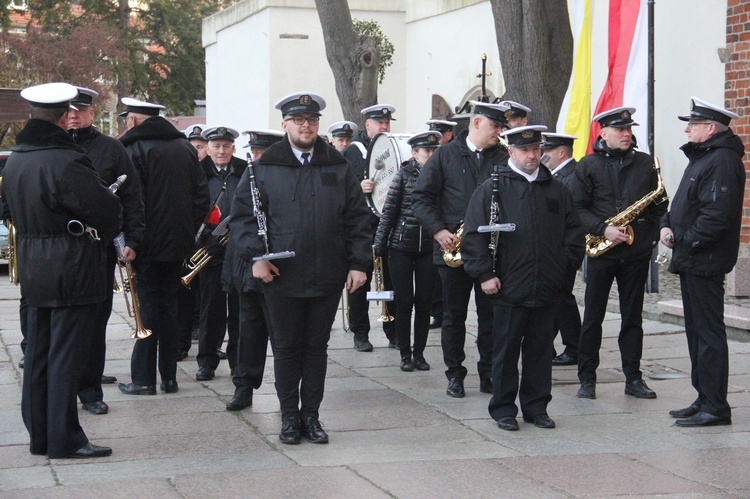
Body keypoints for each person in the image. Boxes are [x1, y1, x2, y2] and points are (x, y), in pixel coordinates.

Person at [233, 91, 371, 444]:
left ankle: (312, 416)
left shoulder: (337, 166)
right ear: (285, 125)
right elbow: (245, 219)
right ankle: (289, 418)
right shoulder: (263, 168)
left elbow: (356, 220)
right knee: (286, 348)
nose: (305, 126)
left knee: (316, 348)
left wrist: (358, 264)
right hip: (281, 275)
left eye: (311, 121)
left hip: (326, 271)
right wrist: (257, 258)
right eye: (298, 120)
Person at [3, 82, 121, 458]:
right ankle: (65, 439)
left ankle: (41, 436)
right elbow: (106, 213)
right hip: (71, 267)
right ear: (62, 115)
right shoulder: (66, 160)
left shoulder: (17, 158)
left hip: (35, 266)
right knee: (66, 357)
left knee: (39, 353)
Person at [463, 125, 584, 431]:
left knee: (541, 350)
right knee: (504, 350)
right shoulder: (493, 187)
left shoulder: (556, 188)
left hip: (547, 284)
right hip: (507, 284)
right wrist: (485, 275)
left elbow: (573, 234)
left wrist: (564, 272)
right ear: (511, 152)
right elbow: (474, 235)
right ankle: (504, 408)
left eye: (535, 150)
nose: (532, 156)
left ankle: (536, 406)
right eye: (525, 151)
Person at [412, 100, 510, 398]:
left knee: (490, 317)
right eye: (495, 126)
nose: (500, 132)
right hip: (452, 250)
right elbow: (421, 198)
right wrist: (439, 230)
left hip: (492, 252)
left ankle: (489, 375)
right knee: (453, 317)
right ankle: (455, 374)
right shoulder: (445, 155)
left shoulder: (505, 157)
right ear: (477, 123)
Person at [571, 106, 668, 400]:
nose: (627, 134)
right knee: (593, 318)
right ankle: (587, 379)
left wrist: (648, 237)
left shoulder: (645, 163)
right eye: (620, 130)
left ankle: (633, 378)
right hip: (602, 251)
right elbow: (576, 209)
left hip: (635, 252)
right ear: (604, 133)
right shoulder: (587, 165)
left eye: (629, 129)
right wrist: (604, 229)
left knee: (632, 318)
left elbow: (659, 206)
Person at [660, 98, 745, 427]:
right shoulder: (704, 157)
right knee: (696, 332)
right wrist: (666, 224)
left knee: (708, 334)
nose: (686, 128)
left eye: (692, 124)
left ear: (710, 128)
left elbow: (716, 216)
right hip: (693, 259)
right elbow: (683, 202)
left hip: (705, 260)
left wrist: (685, 240)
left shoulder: (722, 160)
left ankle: (716, 406)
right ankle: (705, 396)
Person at [118, 97, 209, 396]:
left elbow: (130, 200)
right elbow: (201, 197)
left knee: (147, 311)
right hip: (178, 244)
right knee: (170, 308)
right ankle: (169, 377)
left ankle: (143, 379)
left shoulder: (132, 149)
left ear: (133, 120)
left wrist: (130, 239)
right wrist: (187, 232)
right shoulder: (185, 148)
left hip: (143, 245)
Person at [68, 86, 145, 415]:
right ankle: (59, 389)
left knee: (95, 320)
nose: (73, 117)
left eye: (78, 111)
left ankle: (90, 390)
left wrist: (133, 240)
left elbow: (132, 197)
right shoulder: (51, 147)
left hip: (97, 248)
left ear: (89, 113)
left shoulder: (110, 149)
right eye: (67, 112)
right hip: (56, 250)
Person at [221, 129, 281, 411]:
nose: (255, 157)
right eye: (254, 152)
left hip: (280, 266)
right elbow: (240, 221)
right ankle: (243, 386)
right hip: (249, 267)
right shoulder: (250, 176)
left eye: (261, 153)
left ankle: (288, 394)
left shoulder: (282, 177)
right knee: (248, 331)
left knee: (282, 335)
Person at [374, 131, 440, 372]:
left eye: (434, 151)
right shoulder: (403, 174)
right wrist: (379, 244)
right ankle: (404, 353)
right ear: (414, 153)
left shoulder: (440, 175)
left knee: (424, 302)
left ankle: (420, 354)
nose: (431, 156)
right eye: (426, 152)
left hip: (428, 248)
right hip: (401, 246)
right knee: (404, 302)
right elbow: (389, 211)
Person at [341, 104, 398, 352]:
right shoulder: (352, 152)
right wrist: (357, 186)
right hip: (361, 227)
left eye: (386, 123)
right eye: (379, 123)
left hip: (388, 224)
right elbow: (339, 187)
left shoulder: (392, 147)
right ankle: (360, 333)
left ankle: (393, 332)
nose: (384, 126)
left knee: (391, 279)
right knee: (359, 279)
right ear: (367, 125)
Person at [194, 126, 246, 382]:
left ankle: (237, 362)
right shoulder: (197, 172)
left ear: (233, 148)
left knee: (238, 308)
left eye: (226, 146)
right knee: (210, 308)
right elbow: (191, 208)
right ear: (208, 148)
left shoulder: (245, 169)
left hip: (239, 250)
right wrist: (205, 239)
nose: (222, 151)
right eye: (216, 146)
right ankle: (206, 361)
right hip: (209, 250)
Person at [540, 132, 581, 367]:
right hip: (555, 249)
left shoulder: (570, 176)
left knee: (562, 298)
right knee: (556, 297)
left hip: (563, 248)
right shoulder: (558, 175)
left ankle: (575, 346)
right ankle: (548, 344)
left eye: (549, 151)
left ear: (562, 153)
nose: (544, 155)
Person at [176, 124, 207, 361]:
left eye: (201, 147)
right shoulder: (185, 169)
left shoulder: (212, 172)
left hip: (209, 242)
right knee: (185, 294)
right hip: (187, 240)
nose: (198, 152)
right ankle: (182, 339)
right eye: (194, 147)